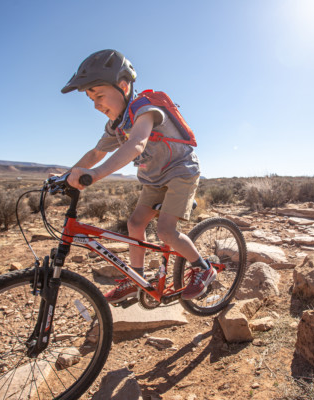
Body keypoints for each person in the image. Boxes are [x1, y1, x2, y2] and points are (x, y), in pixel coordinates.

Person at [60, 49, 215, 303]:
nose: (97, 105)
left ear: (123, 86)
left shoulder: (144, 108)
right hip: (153, 179)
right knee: (135, 224)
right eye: (92, 100)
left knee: (165, 230)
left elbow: (136, 145)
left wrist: (96, 175)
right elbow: (96, 152)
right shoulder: (115, 125)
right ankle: (136, 279)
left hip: (180, 172)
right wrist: (65, 176)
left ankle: (202, 267)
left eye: (100, 96)